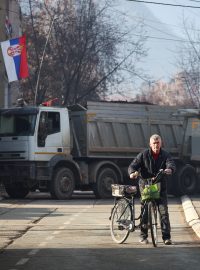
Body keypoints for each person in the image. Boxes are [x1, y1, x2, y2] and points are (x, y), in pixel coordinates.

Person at [128, 134, 176, 245]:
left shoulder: (165, 155)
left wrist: (169, 169)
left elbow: (171, 163)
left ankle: (166, 237)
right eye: (154, 143)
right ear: (150, 144)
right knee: (145, 211)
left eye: (158, 143)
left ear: (161, 144)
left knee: (163, 211)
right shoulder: (143, 154)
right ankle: (143, 236)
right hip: (146, 185)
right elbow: (133, 165)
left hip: (160, 187)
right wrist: (132, 173)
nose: (156, 145)